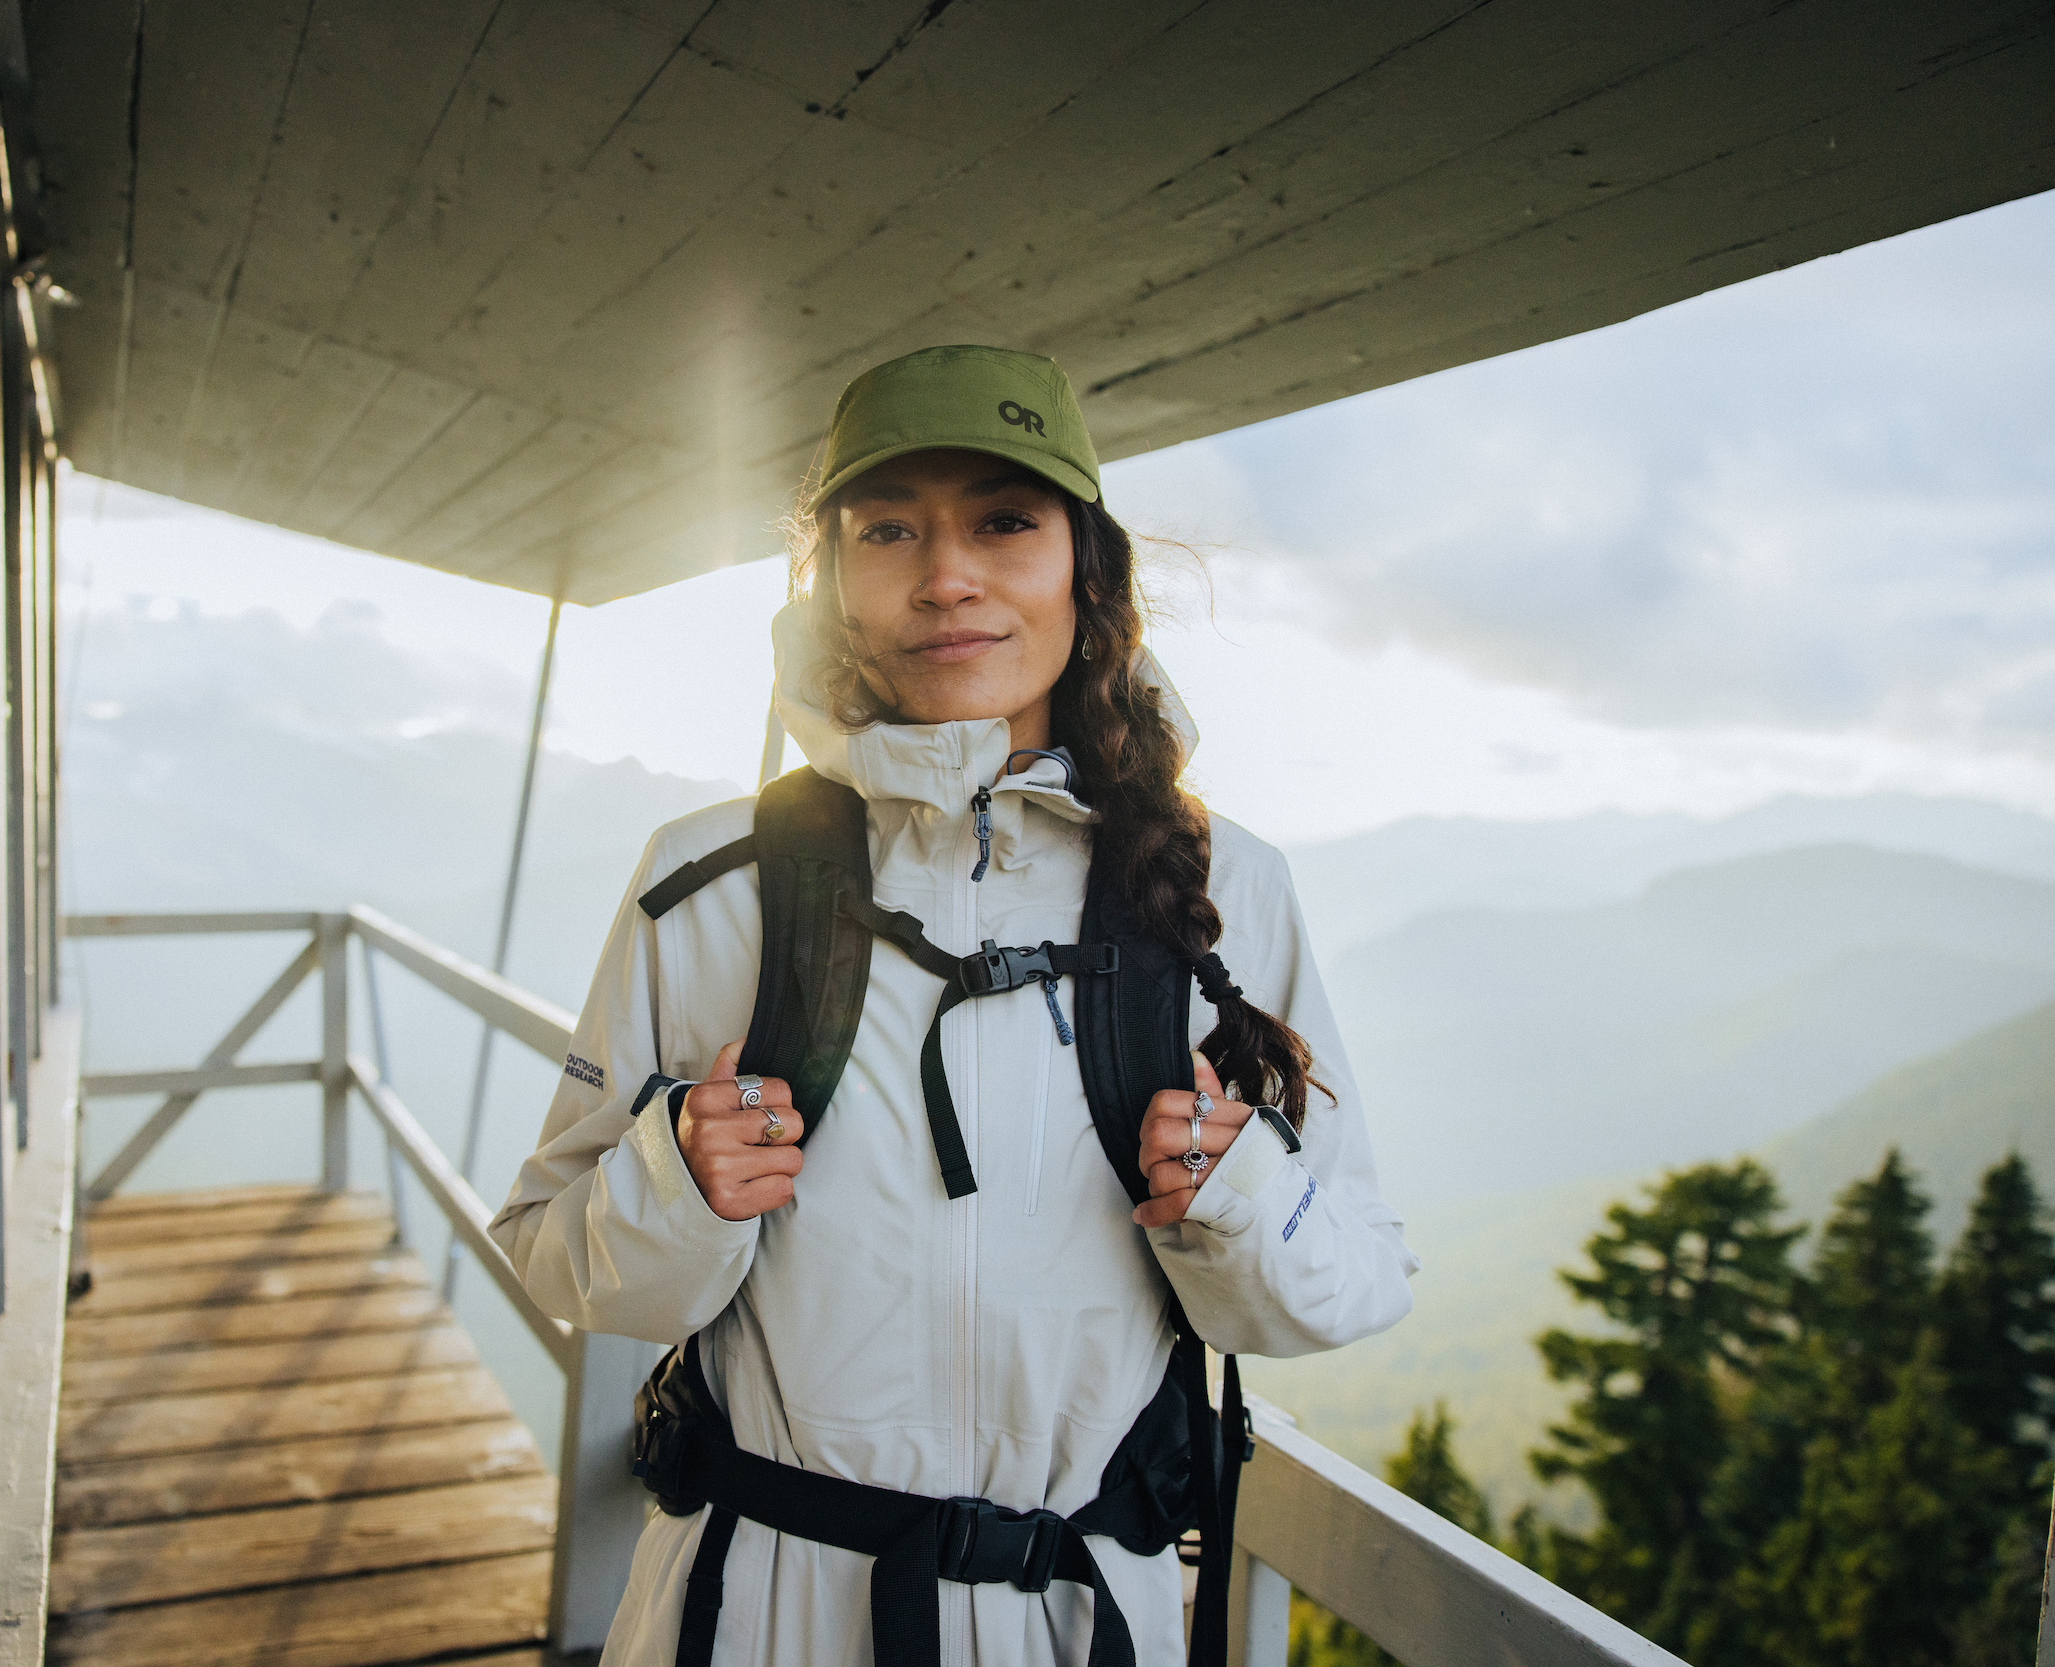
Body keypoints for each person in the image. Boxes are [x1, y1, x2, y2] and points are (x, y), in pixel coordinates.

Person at [491, 345, 1417, 1666]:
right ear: (832, 579)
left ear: (1084, 569)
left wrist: (1235, 1199)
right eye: (888, 531)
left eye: (1002, 521)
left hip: (1083, 1620)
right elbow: (549, 1248)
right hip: (761, 1620)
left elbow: (1353, 1281)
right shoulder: (704, 884)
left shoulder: (1222, 889)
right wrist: (676, 1178)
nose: (946, 577)